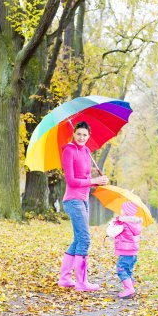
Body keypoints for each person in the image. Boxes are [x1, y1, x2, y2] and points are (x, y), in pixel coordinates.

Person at [58, 121, 109, 291]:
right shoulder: (68, 151)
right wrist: (93, 181)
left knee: (78, 239)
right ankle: (81, 282)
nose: (81, 137)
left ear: (89, 136)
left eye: (85, 135)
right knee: (85, 239)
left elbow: (86, 179)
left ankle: (65, 278)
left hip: (84, 199)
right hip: (73, 200)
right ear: (74, 134)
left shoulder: (87, 151)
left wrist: (100, 181)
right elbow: (72, 181)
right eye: (78, 134)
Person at [106, 201, 143, 298]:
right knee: (128, 269)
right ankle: (131, 284)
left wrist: (112, 224)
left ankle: (129, 289)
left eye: (122, 209)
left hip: (125, 252)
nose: (120, 210)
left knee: (121, 269)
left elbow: (111, 233)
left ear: (126, 212)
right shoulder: (135, 223)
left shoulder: (123, 223)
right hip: (133, 253)